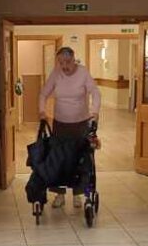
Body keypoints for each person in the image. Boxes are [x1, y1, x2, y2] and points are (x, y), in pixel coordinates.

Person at [38, 47, 101, 209]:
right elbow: (44, 93)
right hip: (60, 124)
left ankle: (78, 195)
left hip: (80, 124)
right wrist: (42, 111)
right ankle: (59, 195)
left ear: (74, 60)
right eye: (60, 62)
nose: (64, 66)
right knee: (58, 159)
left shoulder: (83, 73)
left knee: (80, 159)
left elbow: (95, 92)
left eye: (67, 62)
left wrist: (94, 112)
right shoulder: (56, 73)